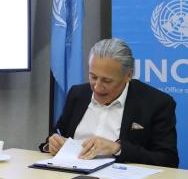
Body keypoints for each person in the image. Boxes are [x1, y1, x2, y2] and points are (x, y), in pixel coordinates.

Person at [44, 38, 178, 168]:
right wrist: (52, 144)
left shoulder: (157, 103)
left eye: (107, 81)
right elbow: (58, 134)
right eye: (93, 77)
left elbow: (168, 159)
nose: (97, 87)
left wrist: (117, 148)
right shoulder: (77, 94)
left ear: (128, 75)